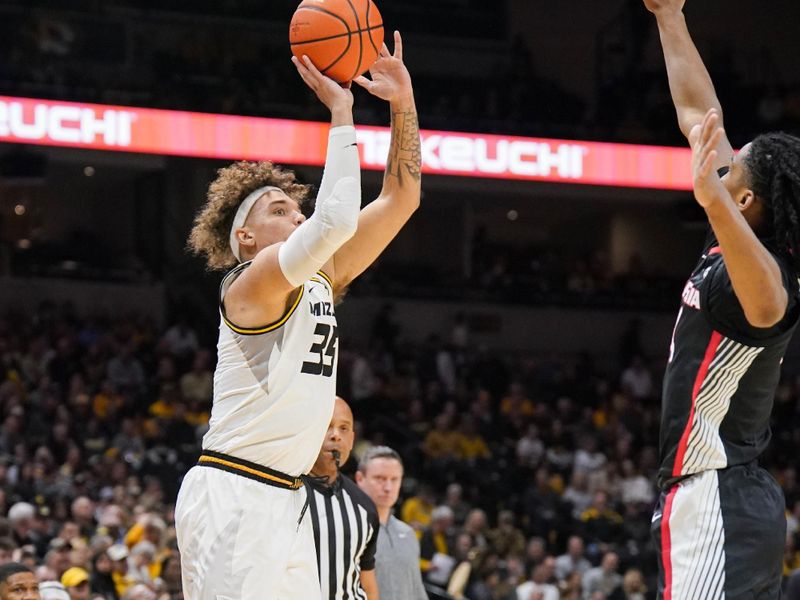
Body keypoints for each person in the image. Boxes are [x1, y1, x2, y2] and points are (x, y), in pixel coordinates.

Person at [175, 30, 420, 599]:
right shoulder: (246, 285)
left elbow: (402, 197)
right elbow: (334, 221)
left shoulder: (322, 278)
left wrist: (403, 103)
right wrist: (342, 112)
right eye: (279, 209)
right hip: (235, 491)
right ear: (244, 235)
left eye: (298, 208)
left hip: (290, 497)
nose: (296, 217)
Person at [643, 0, 800, 597]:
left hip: (715, 493)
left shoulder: (766, 275)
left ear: (746, 203)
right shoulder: (736, 236)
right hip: (733, 497)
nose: (719, 166)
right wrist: (669, 15)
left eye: (731, 171)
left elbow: (769, 310)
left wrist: (713, 202)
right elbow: (697, 113)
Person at [304, 397, 380, 600]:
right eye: (327, 426)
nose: (336, 435)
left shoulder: (365, 507)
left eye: (344, 428)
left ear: (352, 439)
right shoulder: (283, 493)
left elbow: (368, 584)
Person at [355, 447, 427, 600]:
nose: (388, 487)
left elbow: (416, 589)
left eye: (394, 479)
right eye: (380, 478)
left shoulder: (408, 534)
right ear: (360, 479)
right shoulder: (348, 528)